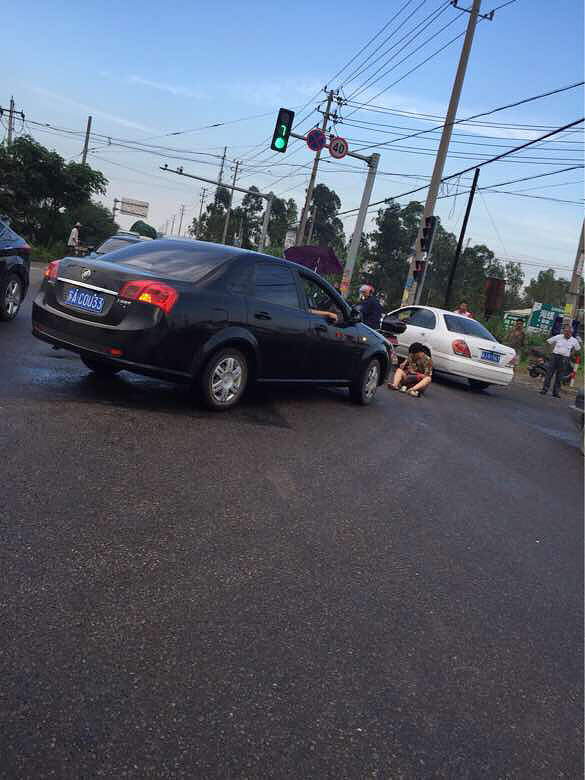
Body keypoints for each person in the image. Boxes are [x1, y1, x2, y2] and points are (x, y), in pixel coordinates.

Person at [540, 323, 581, 398]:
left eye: (568, 332)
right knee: (549, 374)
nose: (566, 333)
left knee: (560, 376)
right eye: (565, 331)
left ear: (571, 333)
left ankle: (556, 392)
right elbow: (548, 342)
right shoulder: (558, 337)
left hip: (564, 359)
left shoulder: (574, 340)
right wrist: (550, 352)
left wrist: (571, 354)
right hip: (554, 356)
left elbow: (577, 349)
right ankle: (544, 389)